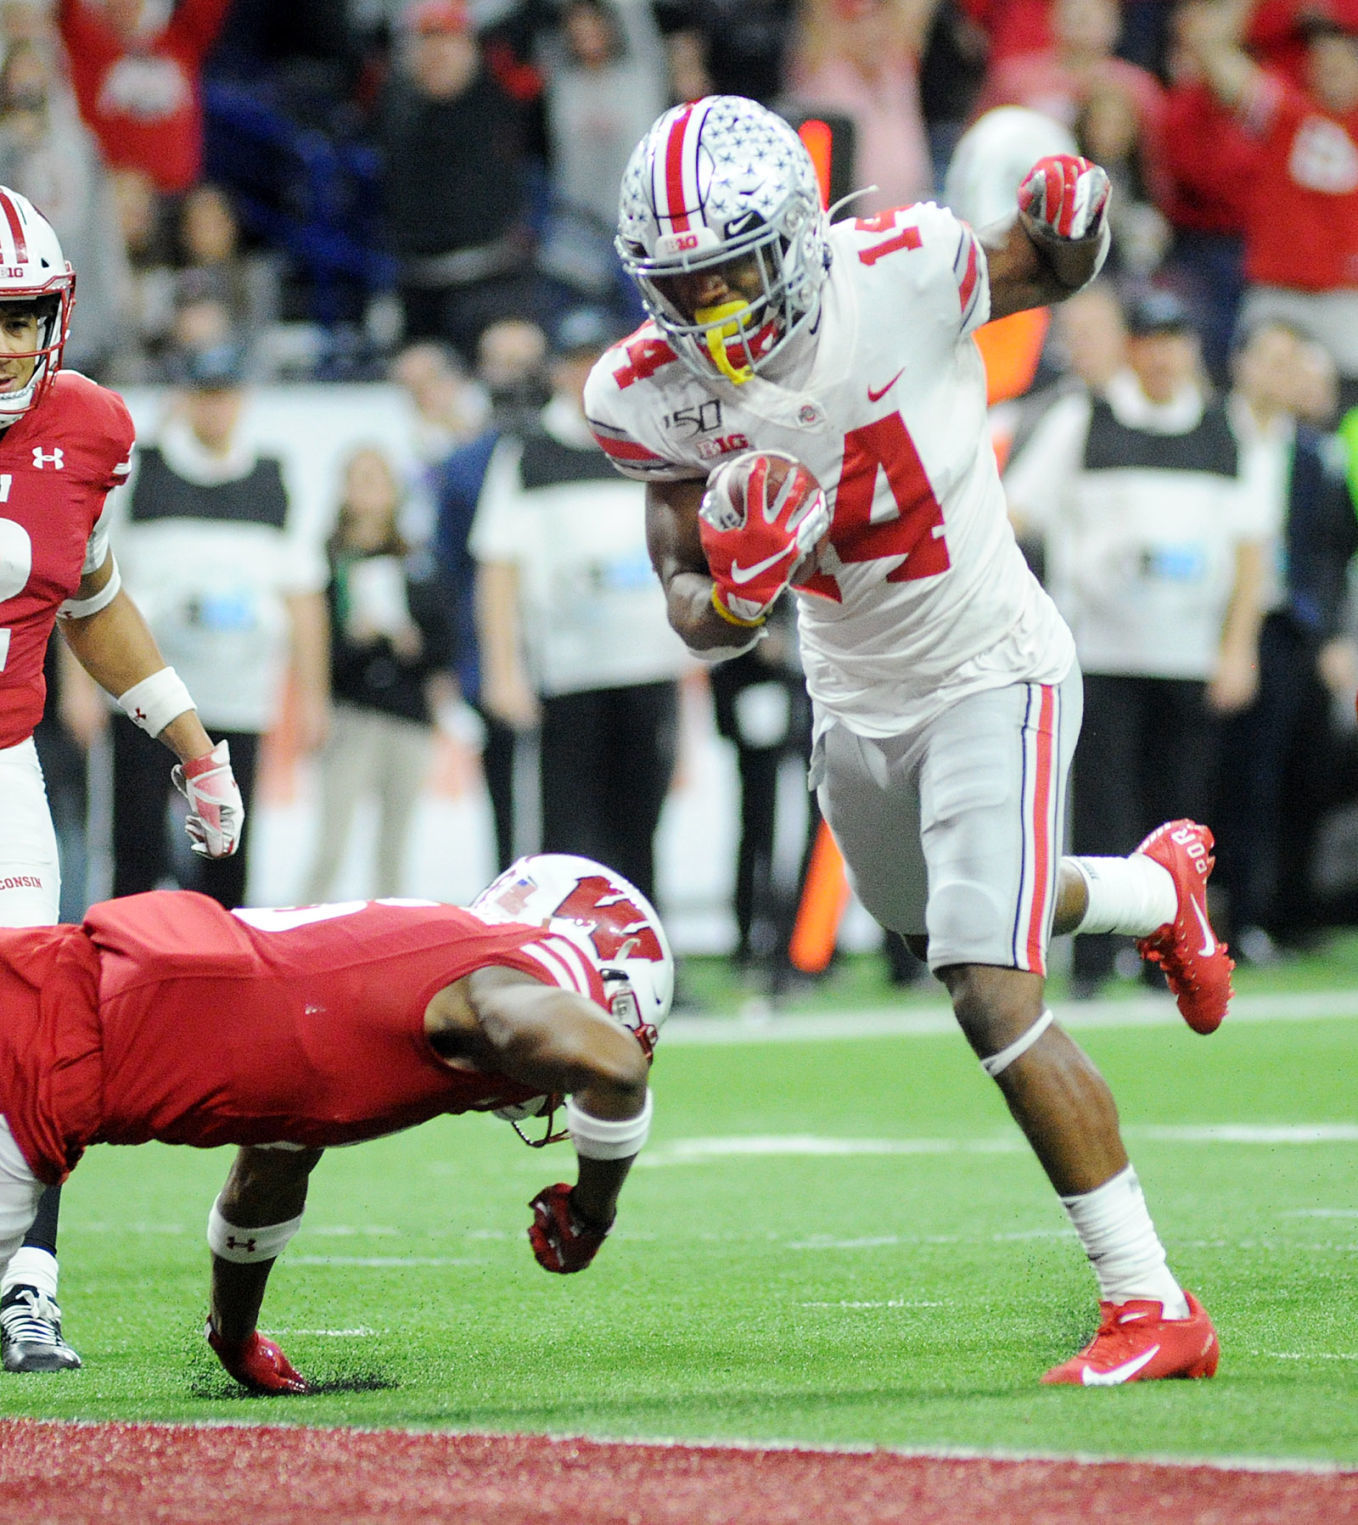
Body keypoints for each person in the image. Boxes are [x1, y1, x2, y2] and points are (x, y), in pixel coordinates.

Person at [585, 95, 1230, 1385]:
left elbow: (1051, 262)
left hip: (991, 666)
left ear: (790, 244)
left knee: (986, 987)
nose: (710, 307)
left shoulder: (907, 267)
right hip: (854, 699)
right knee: (938, 923)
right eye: (681, 282)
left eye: (729, 269)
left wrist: (1076, 219)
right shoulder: (640, 393)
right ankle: (1156, 890)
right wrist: (739, 591)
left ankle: (1152, 1303)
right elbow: (689, 613)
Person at [0, 851, 672, 1393]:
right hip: (40, 1060)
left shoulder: (414, 959)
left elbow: (270, 1169)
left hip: (43, 996)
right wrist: (590, 1214)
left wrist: (234, 1337)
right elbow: (613, 1067)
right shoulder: (503, 974)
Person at [0, 186, 243, 1374]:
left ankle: (25, 1289)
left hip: (4, 773)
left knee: (29, 1044)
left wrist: (192, 743)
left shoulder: (88, 425)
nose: (3, 341)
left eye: (19, 316)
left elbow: (92, 604)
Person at [1003, 287, 1268, 996]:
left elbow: (1250, 547)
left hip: (1187, 653)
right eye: (1151, 339)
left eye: (1176, 339)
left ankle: (1171, 953)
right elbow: (1016, 511)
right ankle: (1093, 959)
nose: (1164, 355)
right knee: (1101, 805)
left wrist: (1236, 646)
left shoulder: (1223, 426)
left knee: (1181, 810)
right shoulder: (1084, 419)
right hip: (1101, 651)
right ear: (1132, 348)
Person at [104, 335, 330, 911]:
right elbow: (94, 587)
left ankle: (218, 976)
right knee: (135, 843)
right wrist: (85, 688)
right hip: (145, 694)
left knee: (229, 848)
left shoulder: (272, 479)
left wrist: (312, 698)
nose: (216, 408)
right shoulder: (141, 474)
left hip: (240, 695)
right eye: (204, 395)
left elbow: (303, 596)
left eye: (226, 395)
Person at [474, 306, 690, 903]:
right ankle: (574, 951)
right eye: (575, 363)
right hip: (569, 671)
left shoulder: (649, 438)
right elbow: (497, 568)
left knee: (643, 820)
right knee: (570, 827)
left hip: (646, 664)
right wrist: (503, 670)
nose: (586, 373)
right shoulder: (530, 452)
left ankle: (644, 950)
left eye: (596, 358)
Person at [301, 445, 454, 902]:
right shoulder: (324, 561)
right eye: (358, 479)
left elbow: (443, 641)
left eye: (377, 479)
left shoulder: (418, 561)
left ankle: (392, 952)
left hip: (407, 715)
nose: (368, 491)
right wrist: (356, 641)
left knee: (395, 847)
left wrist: (412, 644)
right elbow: (312, 645)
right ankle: (302, 941)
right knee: (332, 843)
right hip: (350, 712)